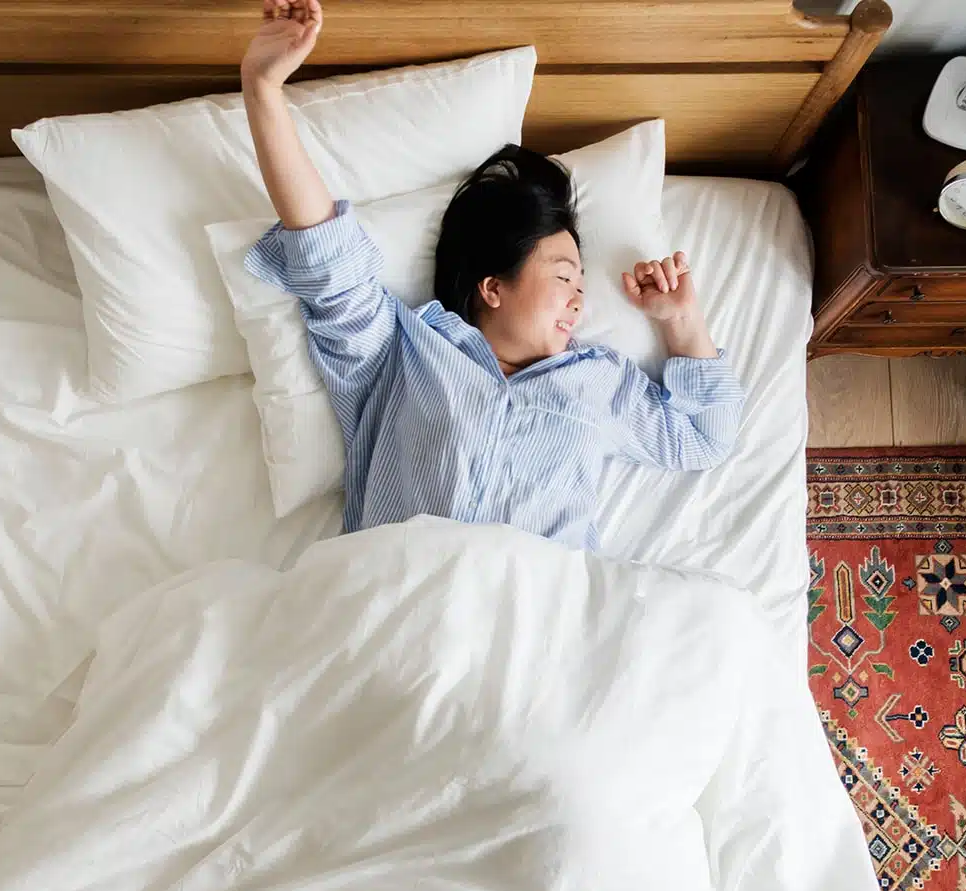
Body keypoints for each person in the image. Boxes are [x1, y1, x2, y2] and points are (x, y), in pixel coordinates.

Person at [240, 0, 745, 550]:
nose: (579, 302)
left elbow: (704, 441)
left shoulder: (597, 385)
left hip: (538, 612)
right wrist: (263, 92)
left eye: (578, 286)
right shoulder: (402, 354)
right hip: (403, 601)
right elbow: (325, 254)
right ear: (493, 287)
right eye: (563, 278)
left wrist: (682, 322)